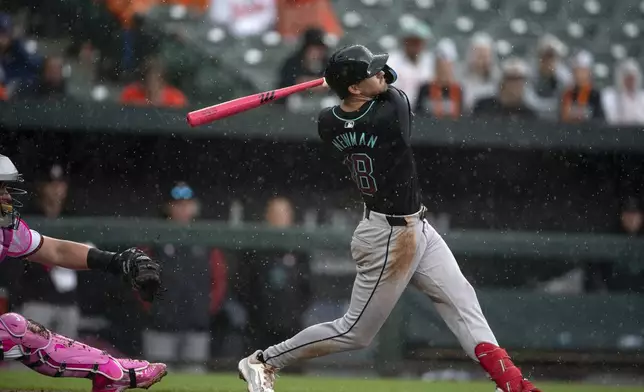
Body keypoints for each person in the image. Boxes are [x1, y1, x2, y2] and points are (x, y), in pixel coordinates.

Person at [237, 45, 541, 392]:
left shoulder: (327, 122)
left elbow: (349, 108)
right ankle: (263, 361)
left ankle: (513, 384)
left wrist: (344, 84)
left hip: (413, 227)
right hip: (388, 237)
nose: (381, 73)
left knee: (463, 303)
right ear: (353, 87)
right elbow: (392, 85)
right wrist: (346, 83)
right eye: (371, 71)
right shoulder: (391, 111)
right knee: (355, 332)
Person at [0, 154, 166, 392]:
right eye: (0, 188)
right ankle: (113, 371)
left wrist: (116, 261)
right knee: (12, 329)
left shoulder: (4, 231)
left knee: (15, 329)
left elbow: (56, 250)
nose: (6, 196)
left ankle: (111, 371)